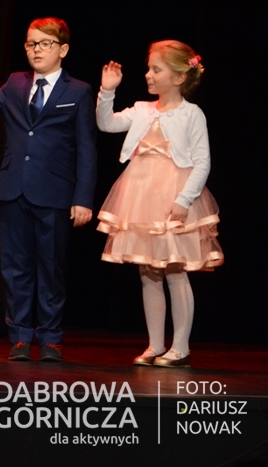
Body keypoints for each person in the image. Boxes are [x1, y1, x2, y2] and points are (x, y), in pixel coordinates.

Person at [0, 17, 96, 361]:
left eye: (45, 43)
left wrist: (83, 198)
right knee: (15, 268)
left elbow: (86, 148)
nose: (36, 50)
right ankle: (20, 337)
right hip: (13, 189)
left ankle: (51, 337)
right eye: (31, 43)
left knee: (51, 268)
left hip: (55, 192)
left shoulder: (78, 91)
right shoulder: (15, 83)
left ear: (63, 49)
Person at [96, 41, 221, 368]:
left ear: (179, 77)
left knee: (175, 270)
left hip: (173, 196)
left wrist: (184, 199)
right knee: (148, 271)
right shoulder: (142, 109)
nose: (148, 75)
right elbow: (107, 124)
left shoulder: (191, 114)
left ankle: (180, 347)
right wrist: (107, 91)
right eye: (149, 69)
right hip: (140, 196)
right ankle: (154, 345)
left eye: (156, 69)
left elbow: (202, 162)